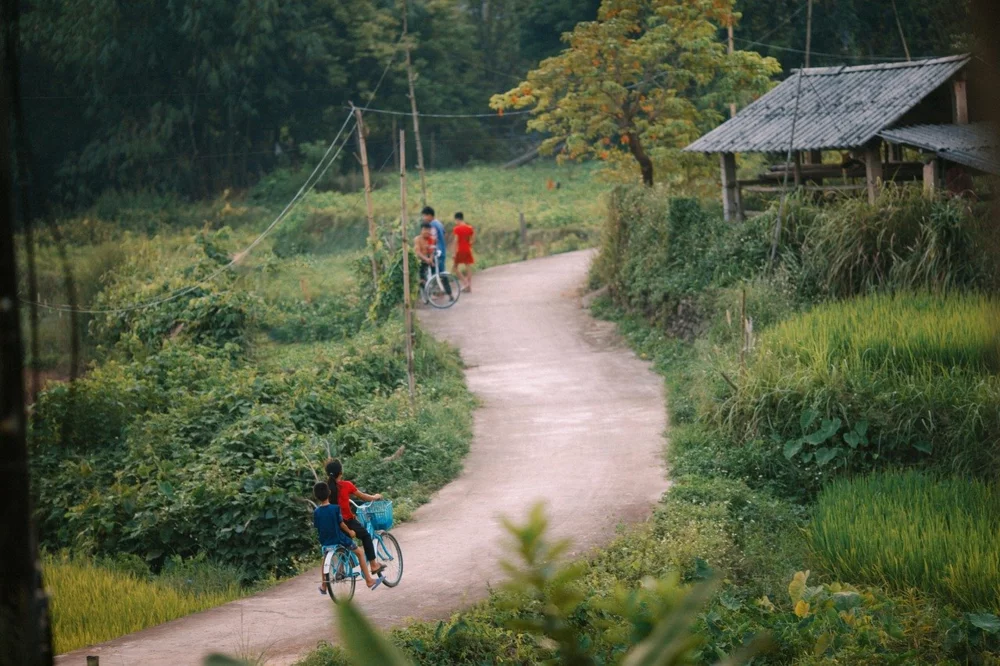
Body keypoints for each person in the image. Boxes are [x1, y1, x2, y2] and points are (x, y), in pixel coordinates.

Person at [313, 482, 381, 594]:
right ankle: (369, 580)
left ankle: (324, 586)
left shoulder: (316, 512)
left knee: (325, 558)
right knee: (360, 553)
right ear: (329, 493)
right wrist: (350, 532)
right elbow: (341, 524)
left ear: (316, 496)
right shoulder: (335, 508)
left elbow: (317, 526)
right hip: (339, 539)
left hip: (325, 542)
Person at [325, 458, 386, 577]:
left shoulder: (326, 488)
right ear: (340, 472)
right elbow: (363, 497)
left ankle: (341, 569)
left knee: (344, 543)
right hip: (347, 521)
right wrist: (375, 497)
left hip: (334, 523)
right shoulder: (346, 485)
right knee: (366, 536)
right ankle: (373, 565)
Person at [421, 205, 453, 298]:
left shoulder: (432, 225)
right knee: (441, 272)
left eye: (424, 216)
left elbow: (433, 239)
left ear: (429, 215)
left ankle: (440, 293)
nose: (424, 218)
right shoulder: (439, 223)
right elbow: (444, 234)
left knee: (436, 272)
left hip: (436, 253)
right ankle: (447, 293)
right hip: (442, 251)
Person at [451, 212, 475, 292]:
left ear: (457, 219)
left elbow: (456, 241)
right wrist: (469, 246)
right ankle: (469, 286)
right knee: (468, 267)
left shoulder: (457, 229)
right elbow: (472, 240)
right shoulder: (469, 228)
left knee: (455, 268)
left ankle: (465, 283)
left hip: (460, 249)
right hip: (467, 249)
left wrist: (454, 253)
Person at [414, 222, 437, 289]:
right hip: (420, 259)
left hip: (429, 259)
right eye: (425, 230)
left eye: (428, 230)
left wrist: (431, 259)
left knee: (435, 268)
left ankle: (434, 288)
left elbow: (432, 251)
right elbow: (418, 252)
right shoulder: (417, 239)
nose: (426, 232)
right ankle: (424, 287)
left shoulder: (432, 239)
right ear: (421, 230)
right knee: (422, 276)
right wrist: (426, 259)